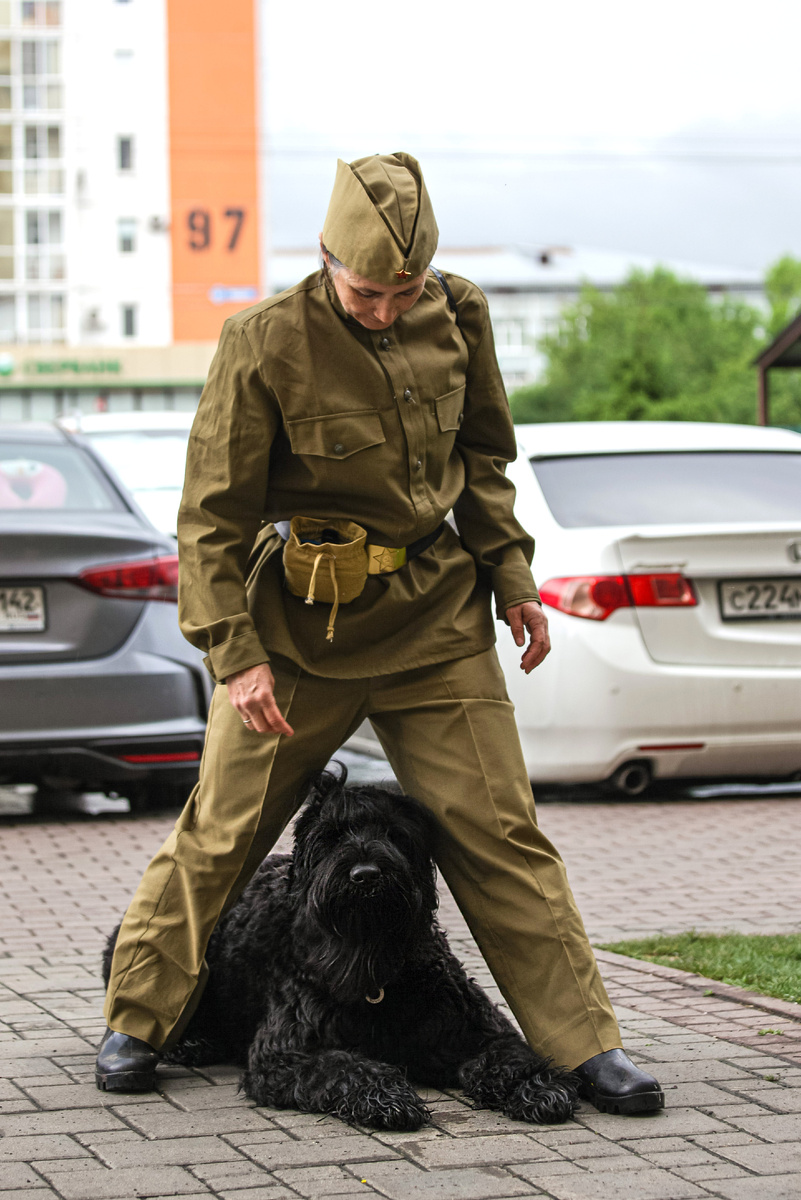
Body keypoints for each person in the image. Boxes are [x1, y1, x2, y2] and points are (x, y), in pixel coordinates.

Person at [97, 152, 663, 1115]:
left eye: (406, 291)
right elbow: (211, 518)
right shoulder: (263, 340)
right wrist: (233, 653)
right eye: (368, 291)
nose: (387, 309)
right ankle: (137, 1019)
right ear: (326, 258)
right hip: (293, 641)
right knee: (225, 828)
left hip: (434, 621)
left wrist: (512, 578)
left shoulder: (462, 313)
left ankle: (585, 1045)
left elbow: (483, 460)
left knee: (501, 835)